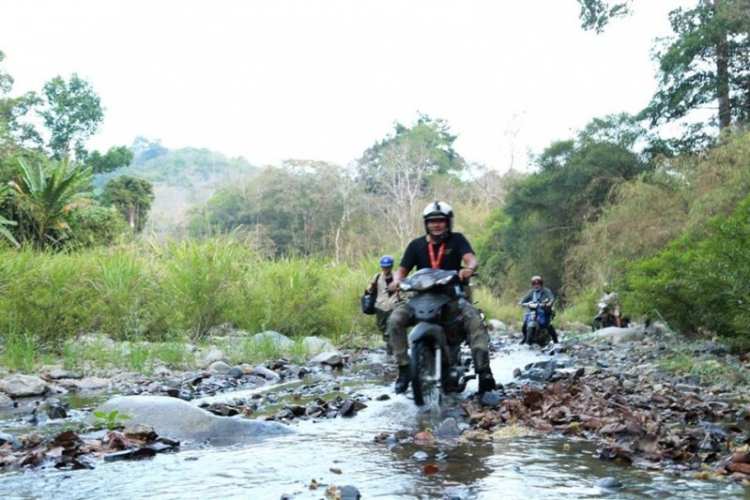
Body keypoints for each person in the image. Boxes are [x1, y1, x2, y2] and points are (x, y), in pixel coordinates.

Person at [386, 200, 497, 394]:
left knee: (474, 321)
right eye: (432, 221)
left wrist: (468, 270)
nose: (436, 224)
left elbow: (471, 260)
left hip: (451, 297)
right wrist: (396, 281)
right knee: (395, 319)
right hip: (420, 297)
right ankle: (404, 369)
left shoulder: (457, 240)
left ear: (448, 222)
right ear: (426, 223)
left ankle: (484, 371)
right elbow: (402, 271)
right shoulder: (416, 245)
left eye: (441, 220)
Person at [366, 255, 400, 352]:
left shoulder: (397, 276)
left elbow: (403, 289)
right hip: (380, 306)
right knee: (382, 328)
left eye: (388, 266)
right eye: (384, 267)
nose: (386, 269)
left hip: (393, 305)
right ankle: (389, 346)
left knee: (390, 329)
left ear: (391, 266)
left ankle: (392, 350)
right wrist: (372, 285)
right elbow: (370, 291)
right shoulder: (377, 277)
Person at [518, 275, 559, 344]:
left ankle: (556, 341)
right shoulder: (531, 292)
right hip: (533, 310)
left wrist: (549, 303)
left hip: (544, 310)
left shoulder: (546, 291)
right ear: (532, 285)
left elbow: (551, 298)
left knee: (548, 324)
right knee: (525, 325)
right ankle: (525, 338)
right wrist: (520, 302)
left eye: (538, 283)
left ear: (541, 284)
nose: (536, 285)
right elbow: (524, 299)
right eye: (534, 284)